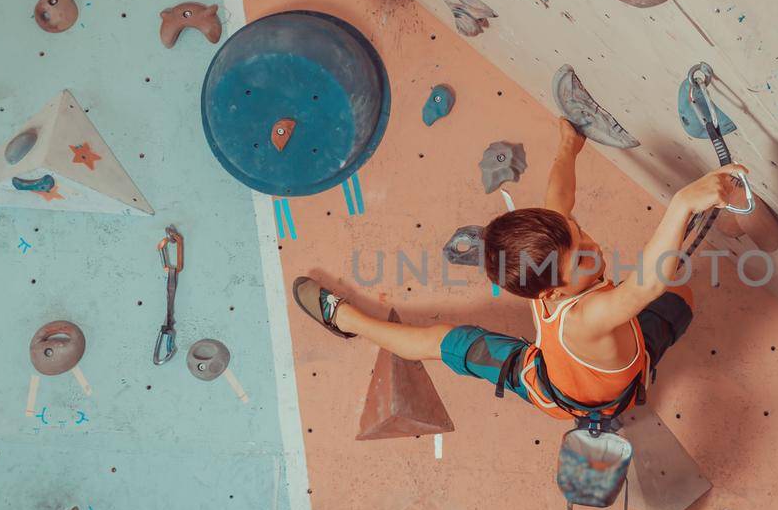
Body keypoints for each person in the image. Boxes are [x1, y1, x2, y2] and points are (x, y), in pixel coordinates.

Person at [294, 117, 748, 426]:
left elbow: (558, 199)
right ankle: (346, 318)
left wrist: (568, 146)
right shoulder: (587, 316)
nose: (595, 249)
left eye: (581, 234)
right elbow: (646, 282)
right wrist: (685, 202)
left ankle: (343, 317)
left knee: (444, 340)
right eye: (584, 259)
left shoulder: (541, 272)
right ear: (550, 292)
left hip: (543, 374)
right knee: (678, 291)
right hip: (590, 396)